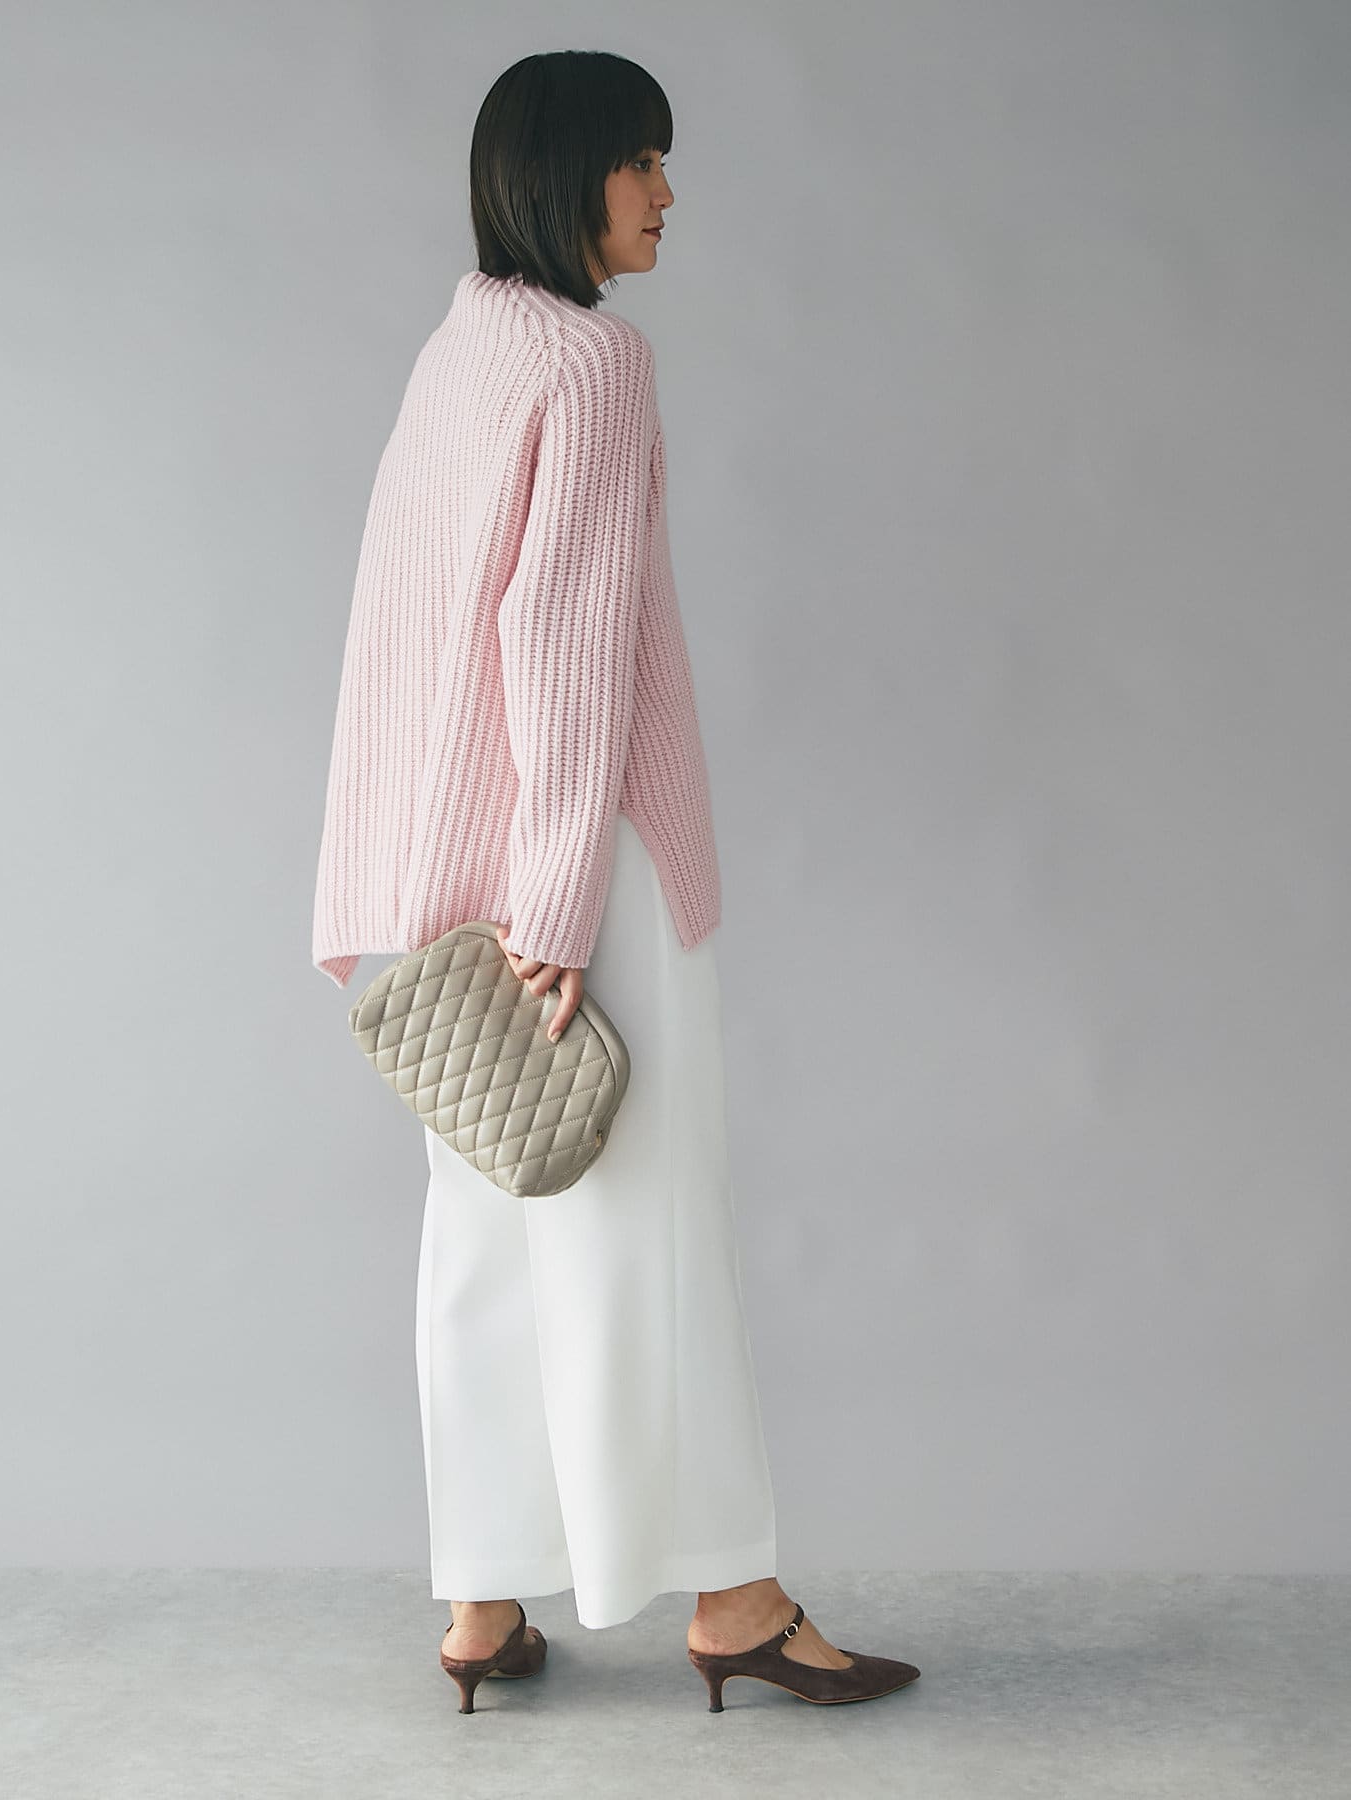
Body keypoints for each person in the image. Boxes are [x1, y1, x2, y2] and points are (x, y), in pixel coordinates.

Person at [311, 49, 920, 1714]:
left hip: (445, 884)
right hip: (578, 873)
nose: (665, 192)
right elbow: (562, 648)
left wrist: (401, 886)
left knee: (486, 1241)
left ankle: (481, 1604)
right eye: (640, 159)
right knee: (645, 1230)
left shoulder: (459, 350)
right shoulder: (592, 364)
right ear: (561, 174)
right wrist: (564, 904)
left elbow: (399, 636)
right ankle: (735, 1600)